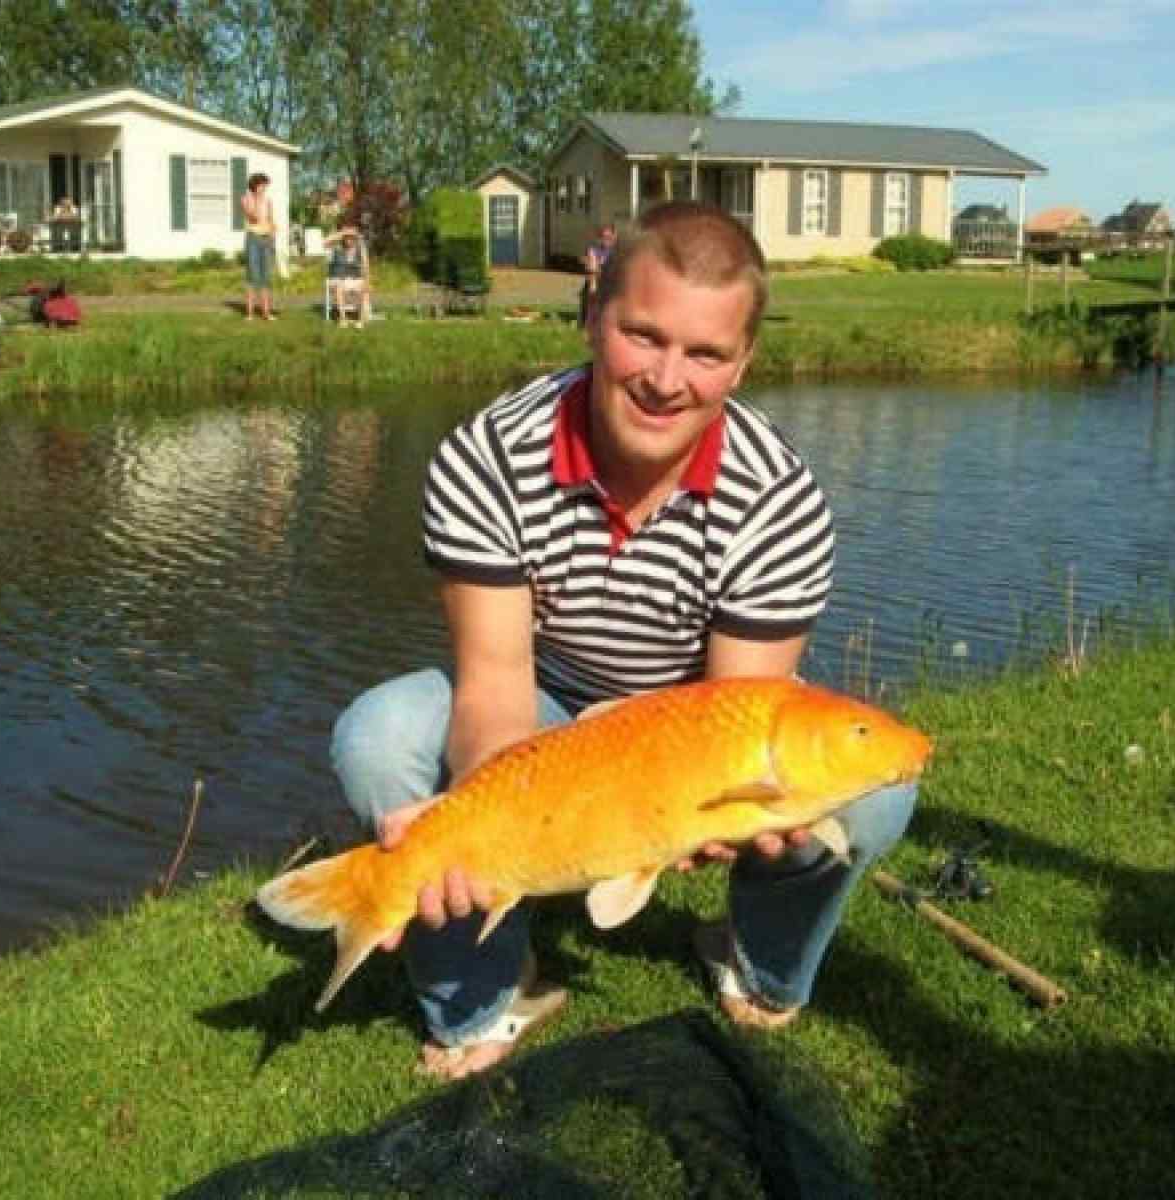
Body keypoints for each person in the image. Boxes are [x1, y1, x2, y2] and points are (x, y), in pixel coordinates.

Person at [330, 201, 916, 1081]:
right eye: (643, 335)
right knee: (377, 738)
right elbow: (491, 686)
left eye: (707, 353)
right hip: (543, 699)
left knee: (871, 800)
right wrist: (474, 828)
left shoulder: (779, 504)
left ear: (743, 363)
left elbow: (735, 710)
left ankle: (754, 959)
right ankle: (486, 997)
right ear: (595, 317)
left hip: (688, 725)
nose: (667, 378)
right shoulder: (486, 456)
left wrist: (719, 817)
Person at [241, 173, 277, 321]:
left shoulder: (268, 201)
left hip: (266, 239)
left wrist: (273, 237)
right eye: (262, 185)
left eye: (265, 186)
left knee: (266, 277)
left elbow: (270, 220)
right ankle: (249, 313)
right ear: (255, 185)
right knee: (253, 275)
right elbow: (253, 217)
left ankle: (266, 313)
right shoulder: (245, 199)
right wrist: (256, 200)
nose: (264, 188)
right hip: (253, 239)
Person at [322, 226, 370, 329]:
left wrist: (367, 281)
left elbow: (366, 266)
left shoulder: (360, 248)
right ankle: (343, 319)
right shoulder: (337, 247)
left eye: (352, 237)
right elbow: (325, 242)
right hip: (337, 278)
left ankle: (360, 320)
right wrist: (342, 233)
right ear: (344, 238)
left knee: (363, 286)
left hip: (353, 278)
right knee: (339, 286)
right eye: (347, 237)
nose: (350, 240)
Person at [578, 222, 617, 327]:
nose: (605, 241)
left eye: (608, 237)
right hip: (595, 279)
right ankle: (587, 321)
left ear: (614, 236)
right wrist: (589, 262)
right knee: (591, 281)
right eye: (602, 237)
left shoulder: (617, 251)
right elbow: (586, 261)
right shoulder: (594, 249)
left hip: (610, 282)